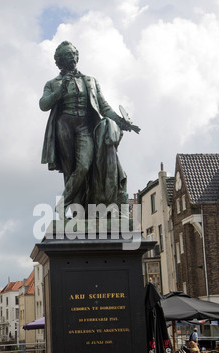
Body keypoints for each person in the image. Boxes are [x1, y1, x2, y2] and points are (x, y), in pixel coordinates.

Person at [39, 40, 140, 219]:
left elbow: (104, 107)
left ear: (77, 56)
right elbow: (44, 104)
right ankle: (78, 214)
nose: (71, 57)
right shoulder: (52, 83)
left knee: (85, 165)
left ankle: (63, 204)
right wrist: (60, 91)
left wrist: (123, 123)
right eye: (66, 55)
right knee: (71, 170)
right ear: (60, 60)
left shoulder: (90, 80)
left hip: (86, 126)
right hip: (65, 126)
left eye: (73, 53)